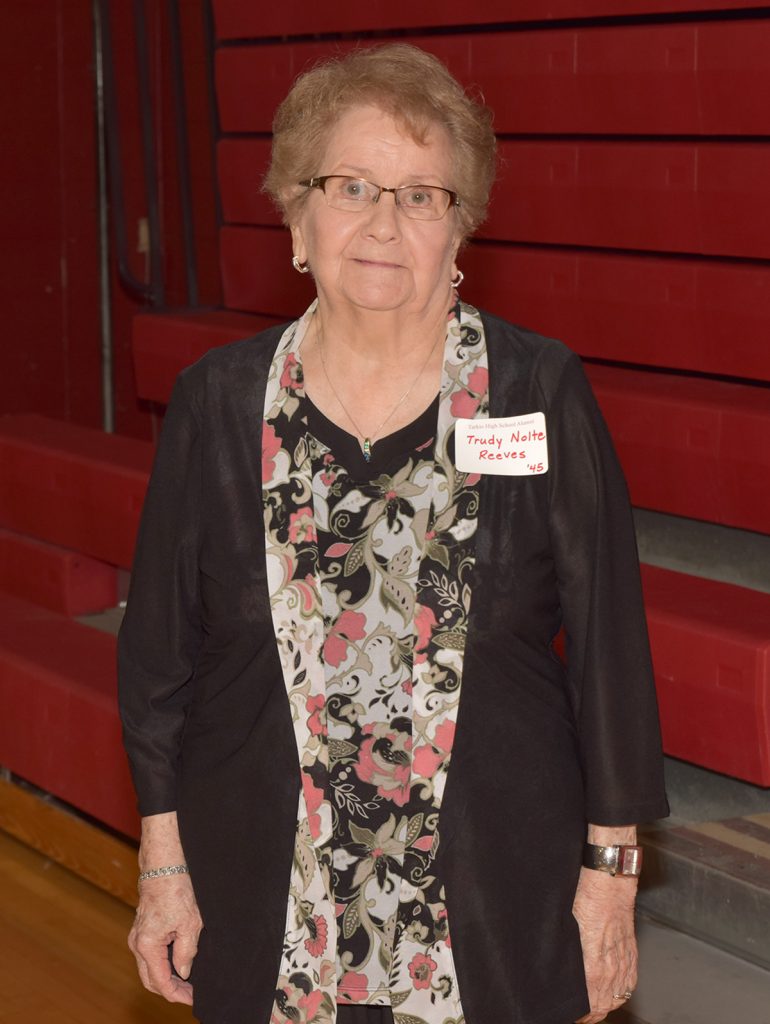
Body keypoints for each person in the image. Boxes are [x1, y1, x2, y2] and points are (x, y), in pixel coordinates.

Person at [119, 43, 669, 1024]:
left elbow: (608, 651)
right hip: (265, 901)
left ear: (460, 228)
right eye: (352, 187)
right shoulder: (217, 404)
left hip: (496, 904)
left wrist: (610, 879)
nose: (383, 223)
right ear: (298, 215)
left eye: (421, 196)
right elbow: (160, 659)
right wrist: (162, 866)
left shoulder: (535, 391)